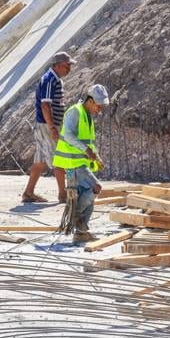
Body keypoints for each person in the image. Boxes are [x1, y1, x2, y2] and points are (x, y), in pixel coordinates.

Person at [53, 83, 110, 244]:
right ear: (90, 101)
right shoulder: (75, 112)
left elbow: (89, 142)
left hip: (82, 163)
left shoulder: (87, 116)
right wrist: (86, 150)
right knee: (95, 188)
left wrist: (97, 157)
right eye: (98, 106)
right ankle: (75, 215)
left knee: (89, 199)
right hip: (74, 163)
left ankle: (81, 232)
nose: (100, 110)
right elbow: (69, 135)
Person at [20, 51, 74, 204]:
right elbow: (45, 105)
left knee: (40, 160)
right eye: (66, 66)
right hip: (47, 125)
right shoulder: (49, 80)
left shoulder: (55, 79)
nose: (69, 69)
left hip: (46, 124)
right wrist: (52, 127)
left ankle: (28, 193)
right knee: (58, 158)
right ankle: (63, 194)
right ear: (57, 65)